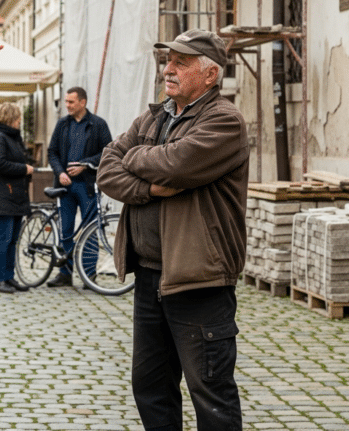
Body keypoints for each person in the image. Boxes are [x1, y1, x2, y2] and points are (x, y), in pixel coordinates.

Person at [96, 29, 249, 430]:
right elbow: (107, 169)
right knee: (150, 385)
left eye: (182, 63)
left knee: (210, 391)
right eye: (168, 61)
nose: (169, 70)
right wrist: (147, 187)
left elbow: (176, 164)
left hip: (198, 279)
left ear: (210, 75)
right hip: (150, 275)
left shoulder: (225, 121)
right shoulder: (155, 115)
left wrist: (136, 156)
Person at [45, 86, 112, 287]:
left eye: (71, 102)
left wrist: (85, 165)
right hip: (65, 187)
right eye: (66, 101)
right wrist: (60, 172)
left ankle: (88, 275)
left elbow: (107, 152)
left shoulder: (98, 124)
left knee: (90, 230)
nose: (67, 105)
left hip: (88, 186)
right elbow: (52, 152)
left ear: (82, 102)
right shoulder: (62, 124)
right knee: (65, 230)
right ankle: (65, 274)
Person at [0, 102, 33, 294]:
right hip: (3, 194)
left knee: (12, 239)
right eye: (18, 117)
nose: (20, 120)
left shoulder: (11, 137)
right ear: (11, 118)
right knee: (3, 238)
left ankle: (9, 277)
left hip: (14, 194)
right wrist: (24, 169)